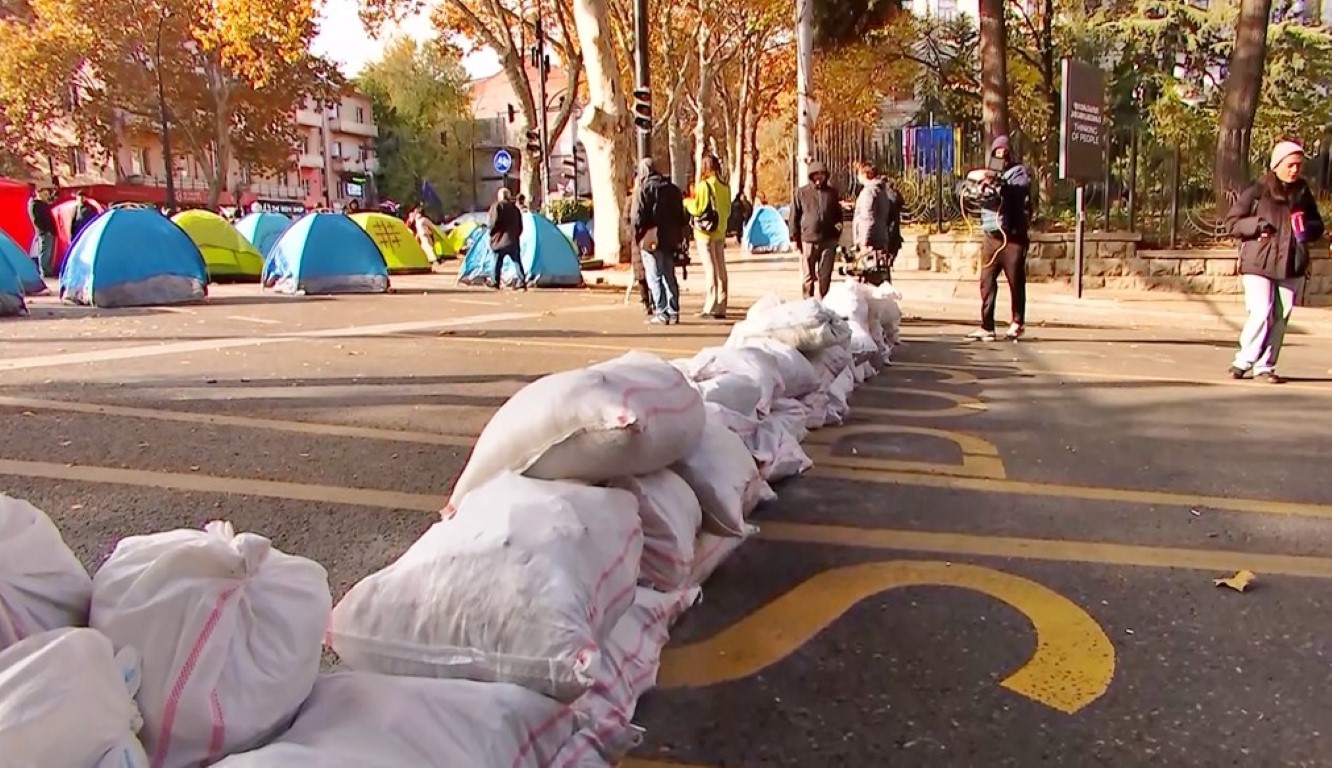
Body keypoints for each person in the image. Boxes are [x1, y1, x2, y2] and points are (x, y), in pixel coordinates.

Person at [1224, 140, 1324, 383]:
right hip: (1259, 260)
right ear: (1277, 165)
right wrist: (1257, 225)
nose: (1295, 170)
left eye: (1298, 165)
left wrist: (1307, 230)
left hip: (1291, 262)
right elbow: (1232, 222)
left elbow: (1317, 225)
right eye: (1290, 165)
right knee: (1261, 311)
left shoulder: (1302, 191)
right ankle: (1243, 361)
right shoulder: (1258, 189)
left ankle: (1265, 366)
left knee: (1282, 314)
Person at [966, 135, 1032, 342]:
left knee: (1015, 282)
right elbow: (967, 187)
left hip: (1012, 238)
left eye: (1004, 152)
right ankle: (987, 326)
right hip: (991, 238)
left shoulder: (1018, 172)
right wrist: (980, 184)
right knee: (986, 281)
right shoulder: (988, 173)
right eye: (997, 153)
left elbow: (1019, 190)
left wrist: (1001, 184)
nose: (1000, 156)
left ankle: (1017, 322)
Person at [632, 157, 688, 325]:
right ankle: (673, 310)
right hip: (671, 237)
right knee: (669, 274)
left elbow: (638, 217)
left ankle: (661, 311)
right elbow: (682, 215)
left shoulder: (645, 189)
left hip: (651, 237)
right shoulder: (673, 189)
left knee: (654, 275)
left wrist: (637, 236)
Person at [684, 155, 731, 318]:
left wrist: (686, 202)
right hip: (720, 230)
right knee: (721, 269)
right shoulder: (725, 186)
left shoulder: (704, 186)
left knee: (709, 268)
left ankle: (710, 305)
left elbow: (697, 208)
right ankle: (722, 305)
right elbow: (728, 209)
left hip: (705, 232)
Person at [790, 161, 843, 299]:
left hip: (828, 240)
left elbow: (839, 216)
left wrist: (837, 233)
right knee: (808, 275)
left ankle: (823, 300)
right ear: (811, 176)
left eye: (822, 174)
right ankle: (808, 301)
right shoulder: (801, 193)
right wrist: (794, 238)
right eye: (816, 174)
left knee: (825, 274)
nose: (819, 177)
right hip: (808, 240)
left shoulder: (832, 193)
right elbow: (794, 216)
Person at [851, 161, 904, 283]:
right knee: (880, 272)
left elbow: (867, 218)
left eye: (859, 174)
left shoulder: (868, 192)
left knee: (869, 275)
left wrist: (864, 242)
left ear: (866, 174)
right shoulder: (882, 190)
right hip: (881, 237)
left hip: (871, 241)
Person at [487, 188, 526, 290]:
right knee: (517, 261)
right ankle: (522, 281)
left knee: (497, 261)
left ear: (500, 196)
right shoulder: (515, 209)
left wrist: (491, 233)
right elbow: (520, 226)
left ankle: (495, 281)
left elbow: (493, 222)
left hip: (499, 239)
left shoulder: (497, 206)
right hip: (512, 240)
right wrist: (516, 235)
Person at [26, 184, 56, 277]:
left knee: (48, 251)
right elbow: (37, 220)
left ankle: (48, 269)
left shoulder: (42, 204)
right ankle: (44, 271)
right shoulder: (35, 205)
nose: (46, 197)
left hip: (49, 231)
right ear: (39, 193)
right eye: (45, 194)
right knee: (44, 251)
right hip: (44, 232)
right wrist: (45, 230)